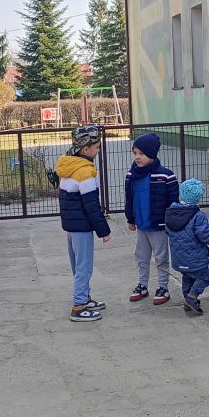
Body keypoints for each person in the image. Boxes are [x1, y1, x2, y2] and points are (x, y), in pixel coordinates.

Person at [55, 124, 111, 323]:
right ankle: (79, 306)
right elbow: (92, 206)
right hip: (82, 227)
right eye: (96, 148)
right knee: (84, 267)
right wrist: (103, 230)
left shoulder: (68, 167)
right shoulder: (84, 173)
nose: (98, 151)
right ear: (86, 149)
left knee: (77, 265)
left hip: (71, 226)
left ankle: (85, 297)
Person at [124, 132, 179, 306]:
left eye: (142, 153)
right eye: (135, 153)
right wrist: (130, 219)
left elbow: (173, 202)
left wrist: (172, 222)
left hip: (159, 226)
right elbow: (129, 199)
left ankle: (163, 287)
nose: (137, 157)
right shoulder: (131, 175)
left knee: (161, 258)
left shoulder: (165, 176)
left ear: (152, 154)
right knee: (141, 257)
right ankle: (142, 285)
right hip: (141, 225)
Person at [165, 178, 209, 315]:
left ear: (181, 195)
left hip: (178, 258)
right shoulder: (198, 216)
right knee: (205, 277)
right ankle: (191, 298)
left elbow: (168, 231)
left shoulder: (171, 212)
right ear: (198, 197)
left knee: (187, 276)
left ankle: (187, 298)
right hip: (195, 259)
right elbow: (205, 236)